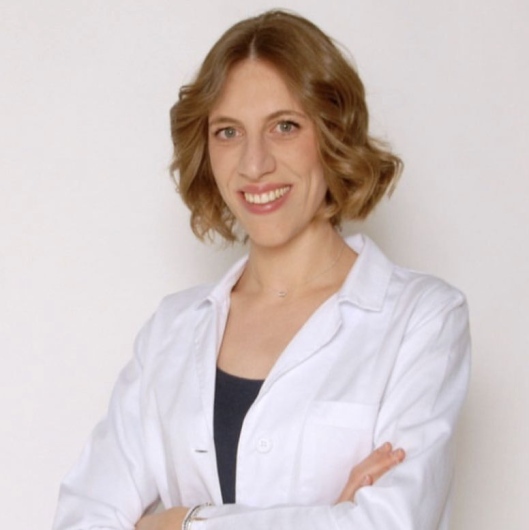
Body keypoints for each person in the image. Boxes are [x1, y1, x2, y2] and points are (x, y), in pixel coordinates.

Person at [53, 10, 470, 530]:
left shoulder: (421, 319)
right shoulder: (172, 329)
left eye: (284, 126)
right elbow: (82, 519)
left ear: (333, 133)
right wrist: (329, 516)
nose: (254, 164)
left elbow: (390, 523)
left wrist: (180, 523)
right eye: (228, 132)